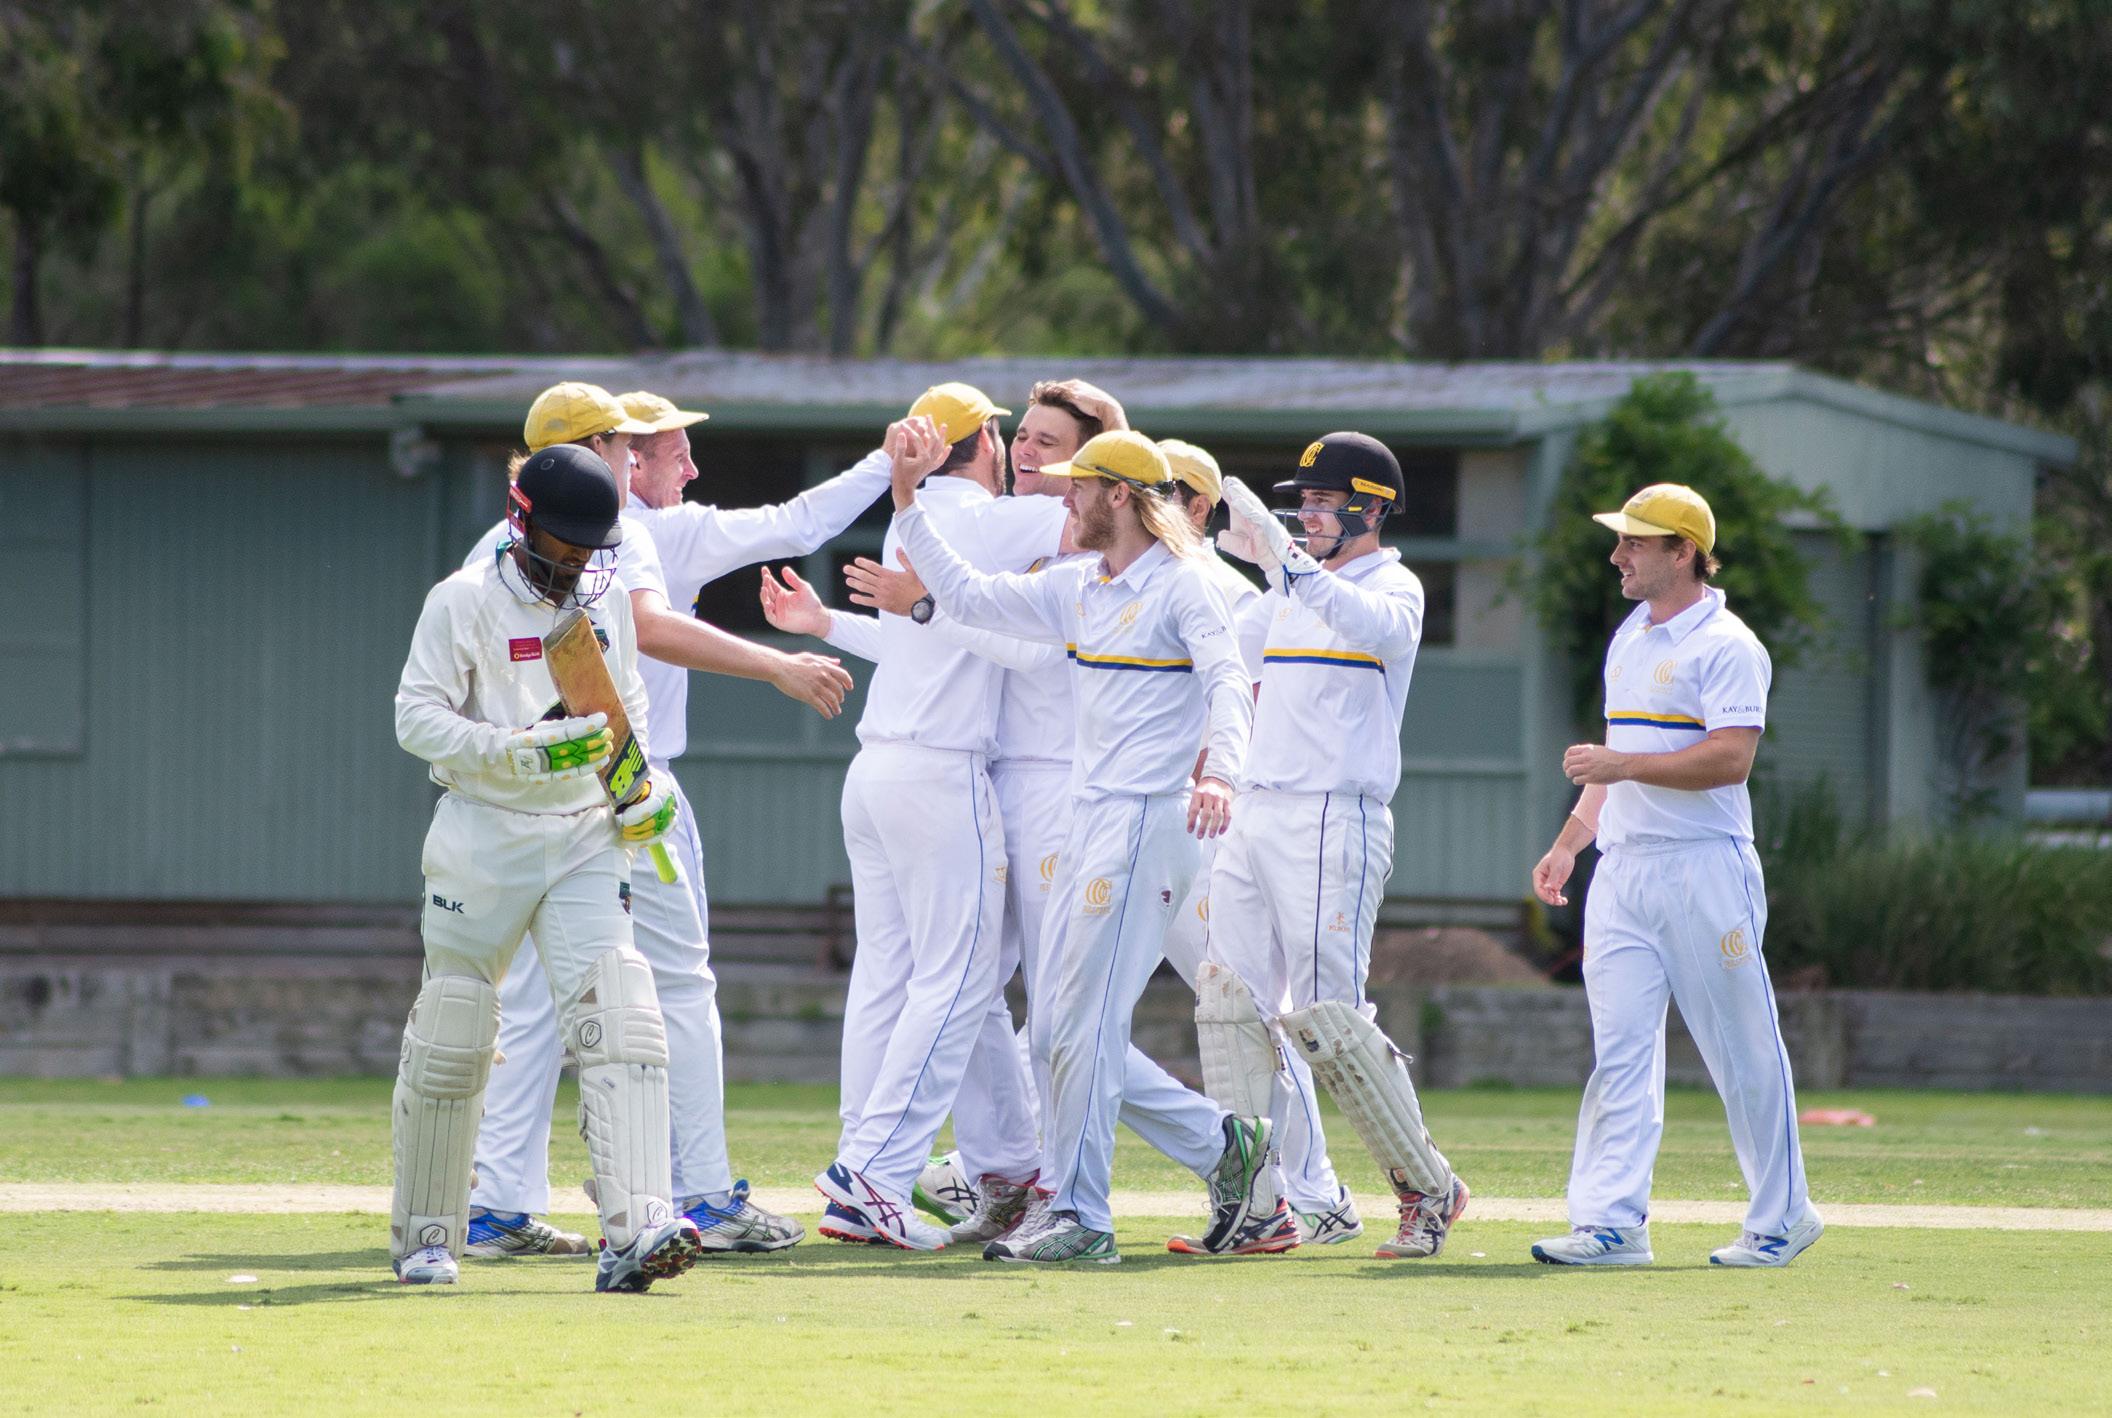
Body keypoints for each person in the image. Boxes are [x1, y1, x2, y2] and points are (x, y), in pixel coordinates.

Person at [465, 384, 885, 1257]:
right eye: (628, 445)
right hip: (623, 783)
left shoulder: (494, 542)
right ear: (597, 450)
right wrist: (779, 666)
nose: (645, 461)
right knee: (682, 987)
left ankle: (496, 1204)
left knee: (535, 997)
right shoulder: (619, 528)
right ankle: (704, 1195)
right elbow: (648, 626)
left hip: (523, 789)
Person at [887, 423, 1271, 1265]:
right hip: (1089, 819)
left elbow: (1229, 684)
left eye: (1081, 485)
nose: (1066, 496)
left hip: (1149, 821)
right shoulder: (1080, 586)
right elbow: (969, 594)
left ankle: (1082, 1216)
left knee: (1087, 1029)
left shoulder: (1187, 585)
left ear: (1120, 496)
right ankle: (1222, 1146)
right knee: (1054, 1033)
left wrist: (1220, 775)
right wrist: (908, 500)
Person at [391, 441, 701, 1292]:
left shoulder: (606, 605)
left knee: (622, 1011)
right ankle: (426, 1236)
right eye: (561, 547)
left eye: (588, 551)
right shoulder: (462, 600)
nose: (573, 566)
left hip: (583, 836)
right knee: (456, 1028)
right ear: (521, 520)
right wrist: (516, 751)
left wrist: (641, 792)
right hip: (484, 835)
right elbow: (415, 719)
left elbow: (626, 707)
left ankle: (638, 1228)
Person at [798, 383, 1070, 1252]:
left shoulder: (910, 524)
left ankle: (863, 1165)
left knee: (889, 976)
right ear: (983, 439)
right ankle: (874, 1176)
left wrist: (825, 621)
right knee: (958, 981)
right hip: (942, 773)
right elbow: (1105, 515)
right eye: (1011, 437)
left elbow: (922, 632)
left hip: (877, 771)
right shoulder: (992, 518)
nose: (1023, 455)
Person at [1528, 483, 1821, 1268]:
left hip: (1704, 869)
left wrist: (1621, 765)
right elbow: (1615, 757)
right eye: (1621, 540)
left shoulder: (1728, 645)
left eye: (1636, 542)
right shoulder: (1631, 634)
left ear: (1683, 551)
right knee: (1620, 1052)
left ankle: (1784, 1218)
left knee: (1741, 1048)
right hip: (1623, 871)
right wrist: (1571, 842)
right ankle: (1612, 1225)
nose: (1617, 556)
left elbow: (1730, 759)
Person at [1202, 434, 1471, 1261]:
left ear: (1371, 508)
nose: (1308, 516)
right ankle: (1258, 1205)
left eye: (1323, 503)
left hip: (1333, 815)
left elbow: (1361, 620)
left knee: (1330, 1021)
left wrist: (1283, 560)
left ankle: (1428, 1189)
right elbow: (1214, 653)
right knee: (1229, 1002)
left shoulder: (1394, 587)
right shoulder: (1284, 591)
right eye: (1303, 504)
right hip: (1255, 809)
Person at [1153, 439, 1360, 1251]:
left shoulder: (1235, 595)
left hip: (1205, 824)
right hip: (1145, 818)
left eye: (1165, 490)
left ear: (1201, 506)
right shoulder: (1131, 583)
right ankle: (1011, 1173)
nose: (1146, 502)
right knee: (1090, 1016)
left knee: (1248, 1013)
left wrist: (1210, 776)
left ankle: (1312, 1191)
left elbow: (1247, 716)